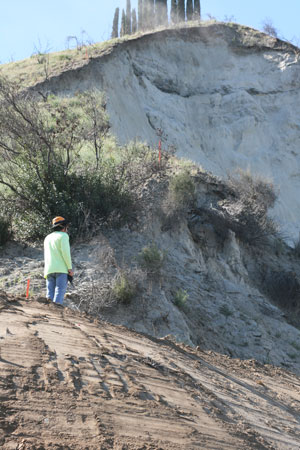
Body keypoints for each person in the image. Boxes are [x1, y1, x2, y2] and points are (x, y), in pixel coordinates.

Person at [44, 216, 73, 305]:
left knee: (50, 294)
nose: (67, 229)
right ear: (63, 227)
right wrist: (70, 268)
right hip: (61, 269)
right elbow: (66, 253)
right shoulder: (64, 236)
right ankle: (56, 313)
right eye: (66, 227)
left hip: (49, 269)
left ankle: (48, 312)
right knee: (59, 292)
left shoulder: (47, 238)